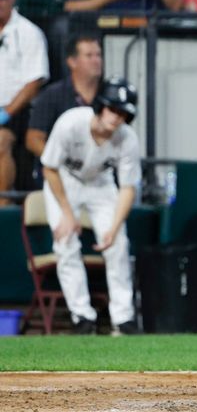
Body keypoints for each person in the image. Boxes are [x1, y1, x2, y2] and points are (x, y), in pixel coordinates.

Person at [40, 77, 141, 335]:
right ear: (100, 105)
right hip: (64, 181)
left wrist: (114, 228)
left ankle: (123, 318)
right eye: (112, 108)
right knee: (65, 242)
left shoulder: (127, 138)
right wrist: (67, 213)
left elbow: (128, 187)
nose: (116, 117)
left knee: (118, 244)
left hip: (100, 184)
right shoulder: (71, 123)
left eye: (123, 113)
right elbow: (49, 167)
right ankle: (82, 316)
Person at [0, 0, 49, 205]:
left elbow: (33, 83)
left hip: (17, 112)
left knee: (0, 140)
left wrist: (6, 113)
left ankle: (3, 206)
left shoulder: (29, 33)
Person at [26, 34, 103, 160]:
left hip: (100, 170)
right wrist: (59, 162)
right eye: (89, 56)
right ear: (72, 62)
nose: (96, 61)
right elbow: (33, 139)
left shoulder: (108, 94)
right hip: (61, 168)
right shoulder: (52, 95)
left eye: (98, 55)